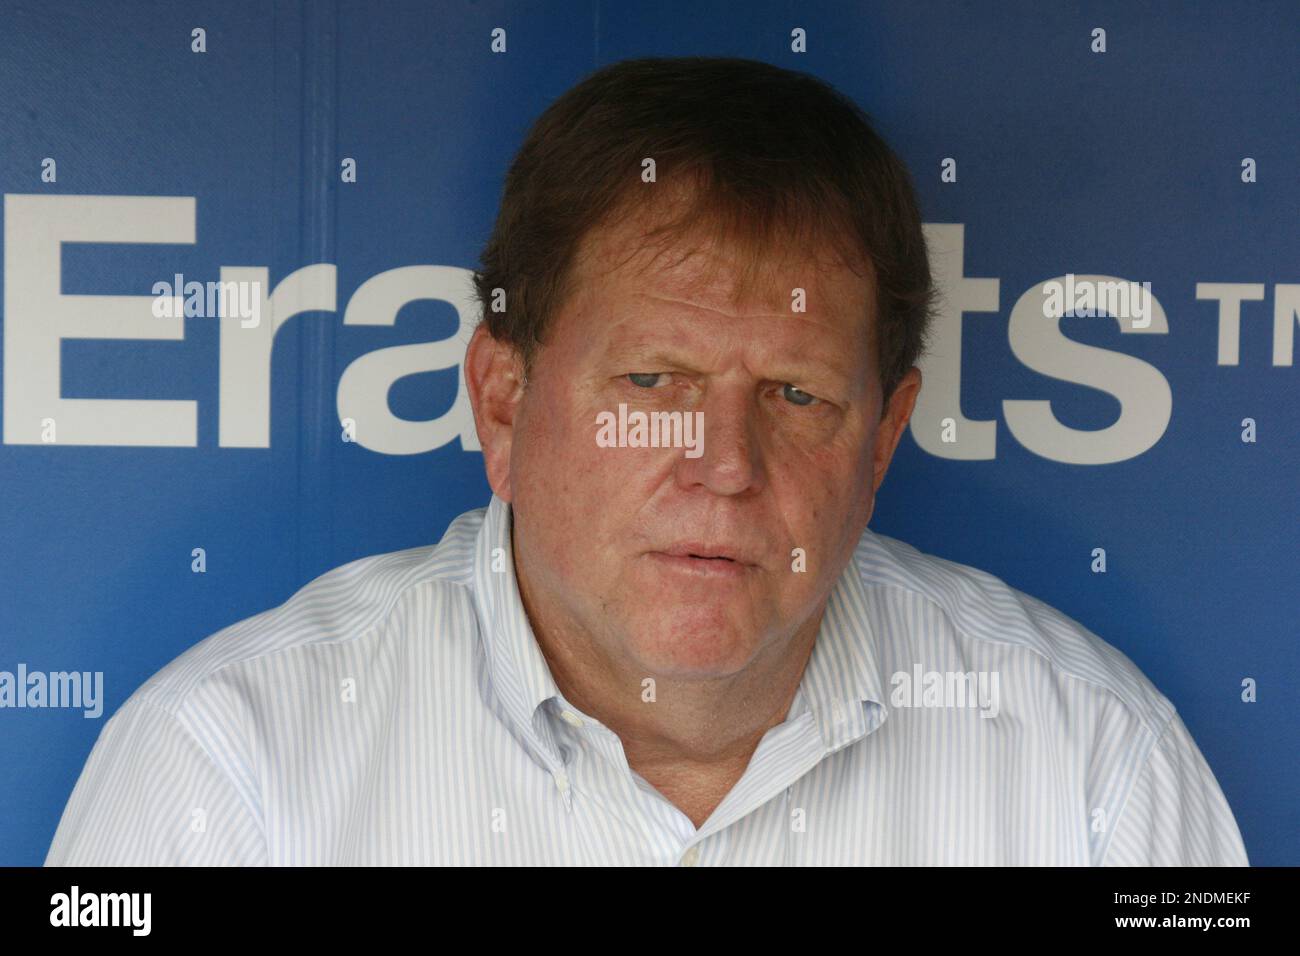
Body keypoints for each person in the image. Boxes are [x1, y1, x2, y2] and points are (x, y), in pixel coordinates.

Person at [46, 56, 1248, 866]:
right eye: (652, 382)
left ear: (881, 439)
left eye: (795, 393)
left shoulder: (1095, 762)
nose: (724, 463)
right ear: (502, 402)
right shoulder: (225, 763)